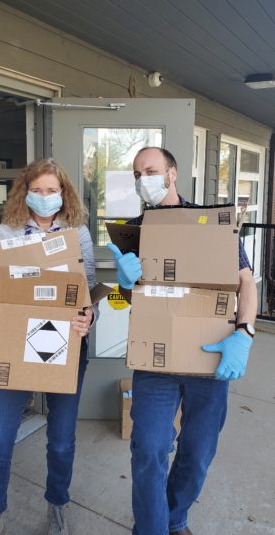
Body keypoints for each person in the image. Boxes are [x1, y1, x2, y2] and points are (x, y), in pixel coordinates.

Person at [108, 147, 257, 535]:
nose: (145, 180)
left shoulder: (209, 224)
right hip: (156, 363)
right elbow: (120, 301)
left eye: (152, 170)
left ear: (172, 174)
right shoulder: (132, 232)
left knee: (197, 453)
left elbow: (245, 281)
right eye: (138, 173)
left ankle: (176, 518)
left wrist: (244, 333)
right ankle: (152, 527)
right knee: (149, 449)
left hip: (209, 356)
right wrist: (122, 285)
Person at [0, 158, 98, 535]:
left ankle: (57, 505)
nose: (45, 197)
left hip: (66, 342)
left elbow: (88, 291)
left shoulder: (78, 233)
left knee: (60, 441)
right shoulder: (7, 232)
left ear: (64, 194)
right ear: (26, 193)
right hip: (12, 341)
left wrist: (89, 318)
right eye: (38, 190)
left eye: (52, 191)